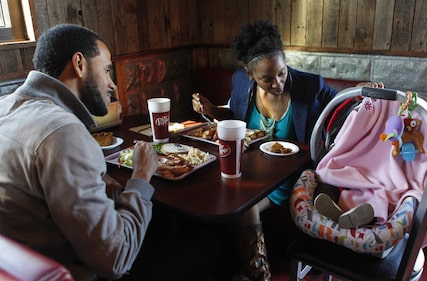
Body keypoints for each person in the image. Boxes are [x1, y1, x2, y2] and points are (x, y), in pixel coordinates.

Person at [192, 20, 381, 281]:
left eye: (282, 73)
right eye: (267, 79)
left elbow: (340, 102)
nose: (278, 83)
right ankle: (260, 275)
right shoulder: (241, 84)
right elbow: (234, 116)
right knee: (241, 205)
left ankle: (357, 233)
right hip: (257, 182)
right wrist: (212, 110)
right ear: (250, 74)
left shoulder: (309, 86)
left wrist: (361, 90)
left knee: (323, 193)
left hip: (295, 180)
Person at [0, 24, 159, 280]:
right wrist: (141, 176)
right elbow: (115, 259)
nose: (113, 86)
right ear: (79, 63)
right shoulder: (63, 132)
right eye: (107, 71)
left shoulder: (5, 106)